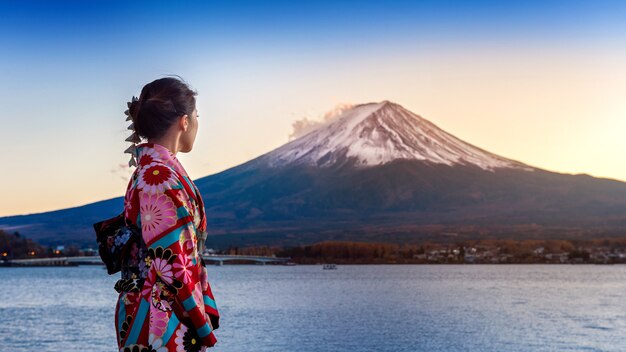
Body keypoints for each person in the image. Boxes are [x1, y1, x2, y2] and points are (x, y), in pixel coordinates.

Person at [115, 76, 220, 352]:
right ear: (184, 121)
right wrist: (199, 321)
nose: (197, 123)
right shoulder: (158, 178)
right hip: (162, 314)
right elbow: (172, 260)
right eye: (197, 116)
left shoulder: (154, 172)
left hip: (156, 305)